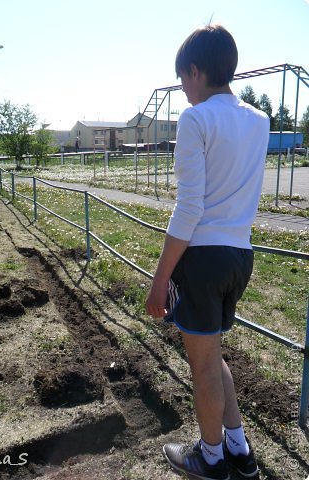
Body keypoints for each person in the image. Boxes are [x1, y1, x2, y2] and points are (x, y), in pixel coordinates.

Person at [145, 25, 269, 480]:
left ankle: (211, 459)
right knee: (214, 357)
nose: (183, 88)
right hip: (240, 256)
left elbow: (190, 206)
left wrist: (160, 278)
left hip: (201, 260)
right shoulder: (259, 121)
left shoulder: (195, 119)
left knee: (202, 364)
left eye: (182, 78)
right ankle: (239, 450)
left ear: (195, 72)